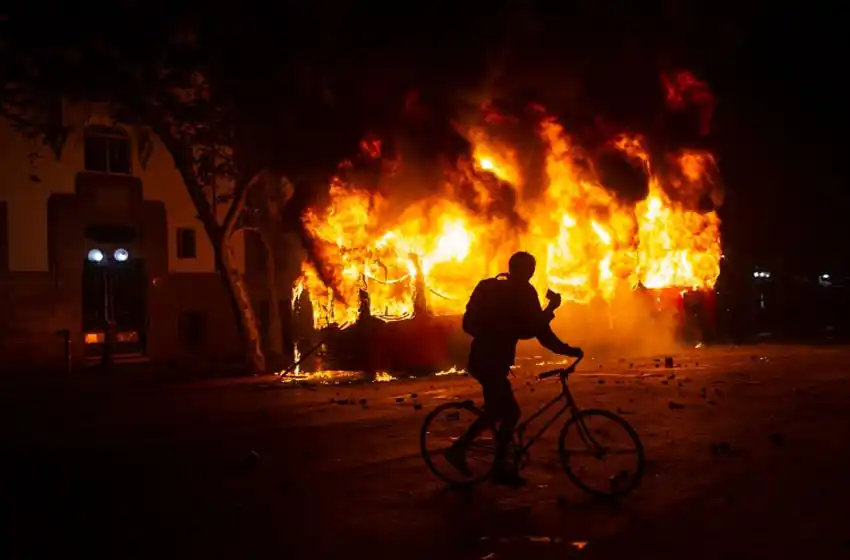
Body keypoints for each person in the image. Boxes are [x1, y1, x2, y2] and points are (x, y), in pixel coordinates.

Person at [446, 251, 583, 486]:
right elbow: (536, 331)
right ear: (528, 271)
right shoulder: (523, 292)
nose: (531, 274)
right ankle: (482, 461)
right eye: (531, 269)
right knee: (505, 413)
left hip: (482, 358)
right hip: (492, 361)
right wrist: (565, 343)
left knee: (503, 412)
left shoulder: (491, 288)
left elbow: (526, 327)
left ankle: (474, 454)